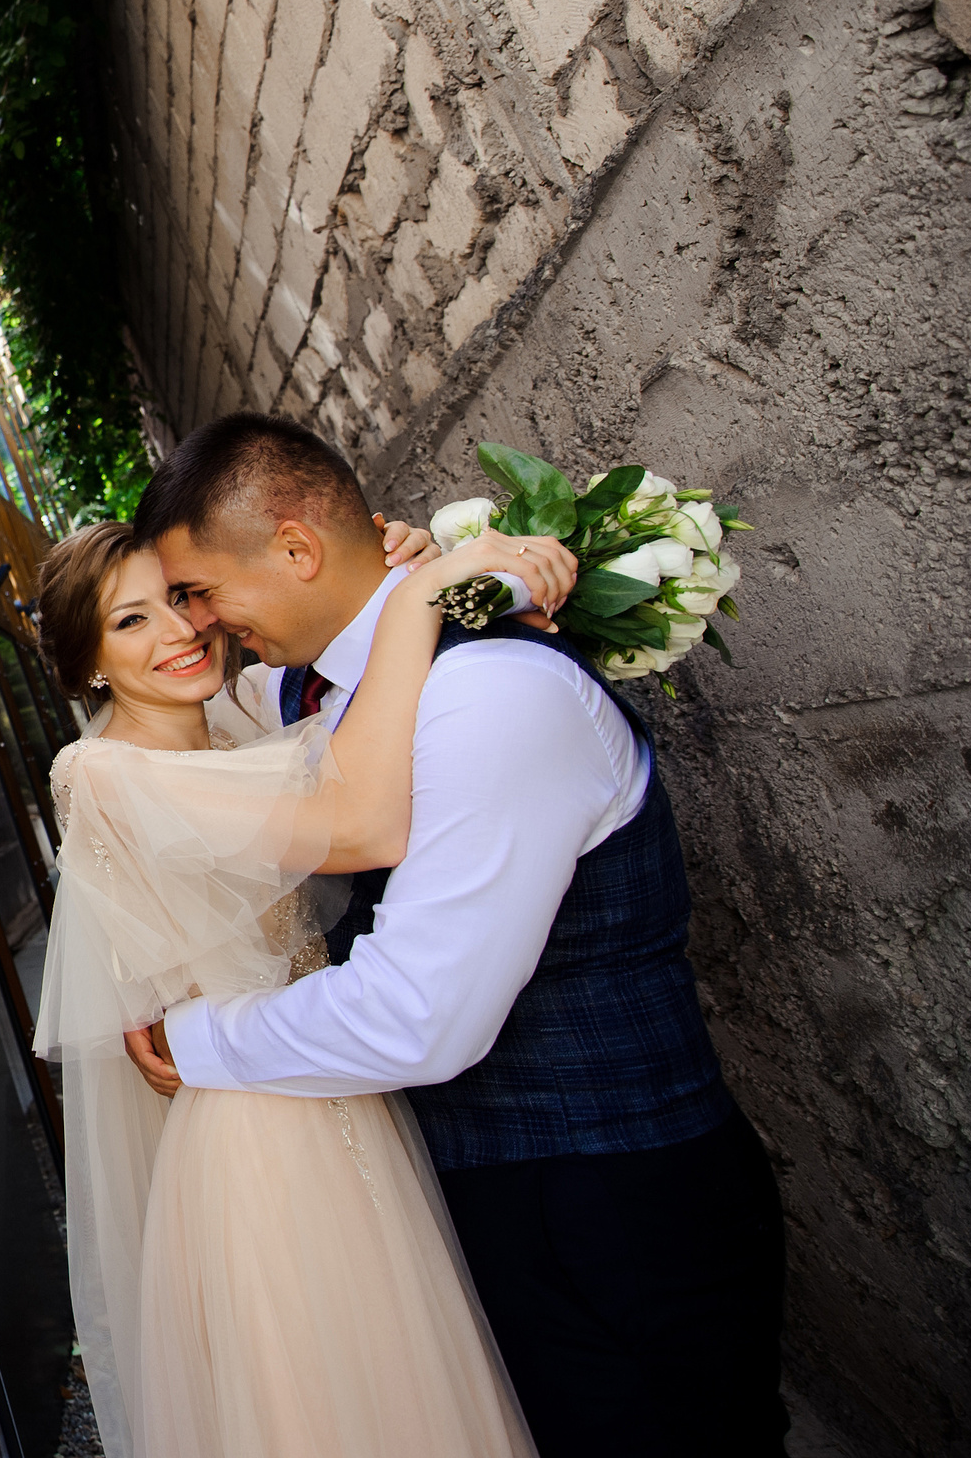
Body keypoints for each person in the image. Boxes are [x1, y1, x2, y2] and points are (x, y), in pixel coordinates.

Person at [130, 412, 788, 1457]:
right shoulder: (320, 687)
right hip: (501, 1200)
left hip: (611, 1204)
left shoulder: (491, 692)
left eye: (200, 593)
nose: (200, 626)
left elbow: (419, 1013)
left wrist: (199, 1041)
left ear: (297, 547)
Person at [32, 506, 576, 1457]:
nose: (178, 632)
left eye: (181, 599)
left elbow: (328, 680)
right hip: (255, 1132)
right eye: (130, 621)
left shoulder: (235, 725)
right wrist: (420, 598)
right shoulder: (101, 773)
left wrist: (393, 561)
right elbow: (358, 814)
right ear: (86, 661)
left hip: (339, 1091)